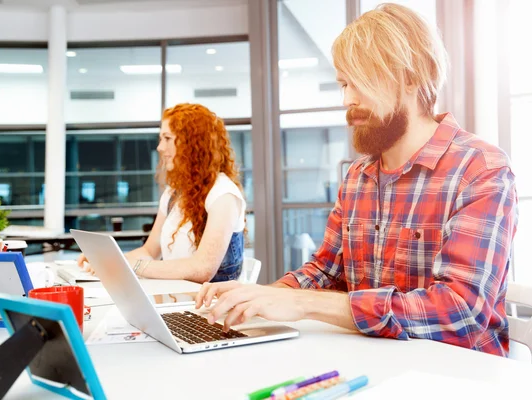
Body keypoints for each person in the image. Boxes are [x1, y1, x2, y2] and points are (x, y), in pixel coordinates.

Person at [195, 3, 518, 357]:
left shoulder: (480, 170)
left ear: (412, 78)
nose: (347, 99)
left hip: (461, 376)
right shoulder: (357, 176)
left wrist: (304, 304)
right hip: (374, 360)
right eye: (344, 84)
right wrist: (258, 298)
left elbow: (462, 312)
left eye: (361, 83)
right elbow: (325, 270)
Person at [78, 103, 247, 284]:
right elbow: (150, 251)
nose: (159, 147)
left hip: (211, 307)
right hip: (177, 302)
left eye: (167, 138)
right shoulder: (174, 193)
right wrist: (109, 260)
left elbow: (203, 269)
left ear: (193, 143)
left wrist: (133, 266)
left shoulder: (223, 194)